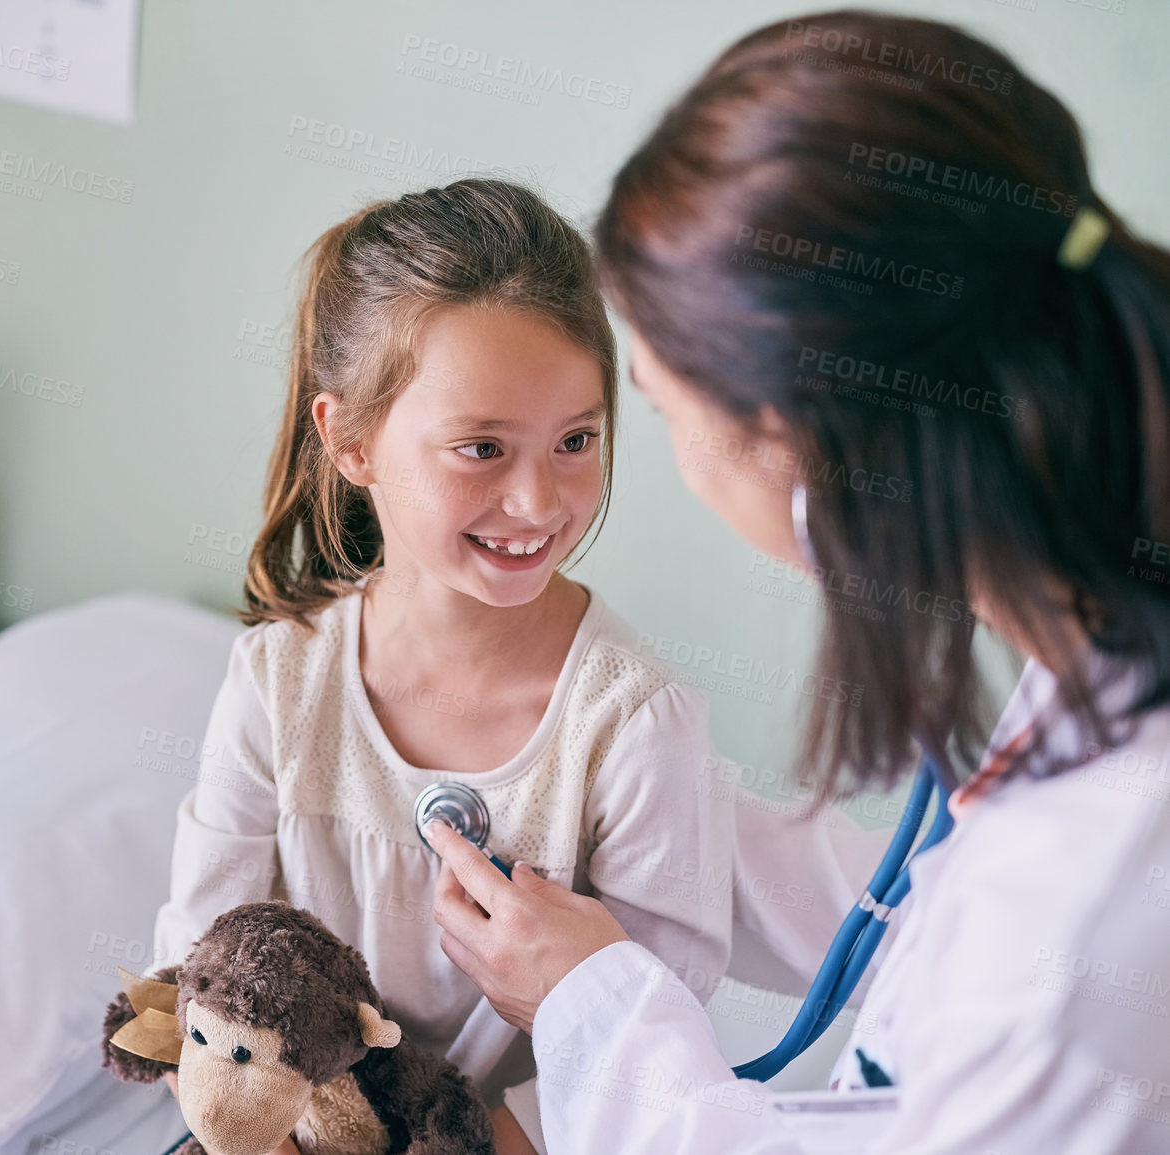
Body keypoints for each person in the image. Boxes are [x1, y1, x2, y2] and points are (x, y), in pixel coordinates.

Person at [426, 11, 1170, 1153]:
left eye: (652, 413)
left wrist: (594, 1006)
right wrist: (644, 813)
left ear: (805, 439)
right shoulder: (1105, 637)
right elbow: (931, 905)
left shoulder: (1092, 911)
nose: (538, 505)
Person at [149, 178, 736, 1153]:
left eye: (576, 441)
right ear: (351, 441)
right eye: (482, 448)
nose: (538, 500)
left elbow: (645, 1050)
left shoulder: (637, 724)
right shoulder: (277, 682)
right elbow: (197, 971)